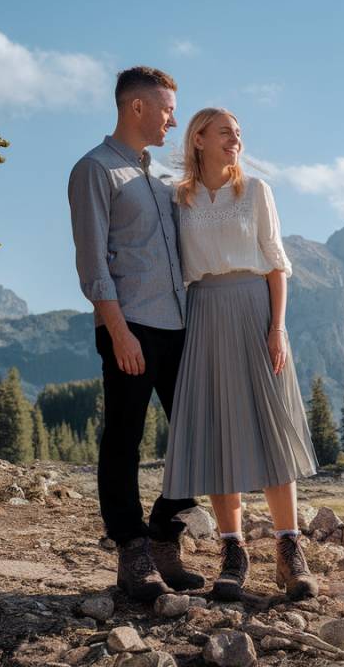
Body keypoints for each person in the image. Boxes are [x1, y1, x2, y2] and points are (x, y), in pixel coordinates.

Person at [162, 107, 319, 601]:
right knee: (217, 433)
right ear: (200, 138)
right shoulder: (178, 198)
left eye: (239, 134)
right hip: (203, 311)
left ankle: (289, 549)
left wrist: (277, 328)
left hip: (255, 309)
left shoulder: (255, 191)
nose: (236, 141)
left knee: (271, 428)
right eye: (227, 133)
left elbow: (276, 263)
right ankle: (233, 552)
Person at [67, 66, 204, 601]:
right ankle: (132, 552)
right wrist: (119, 332)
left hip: (179, 326)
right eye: (168, 108)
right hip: (130, 327)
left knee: (200, 434)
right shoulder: (95, 170)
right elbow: (92, 260)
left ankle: (165, 530)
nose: (174, 117)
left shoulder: (162, 179)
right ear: (138, 107)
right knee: (123, 440)